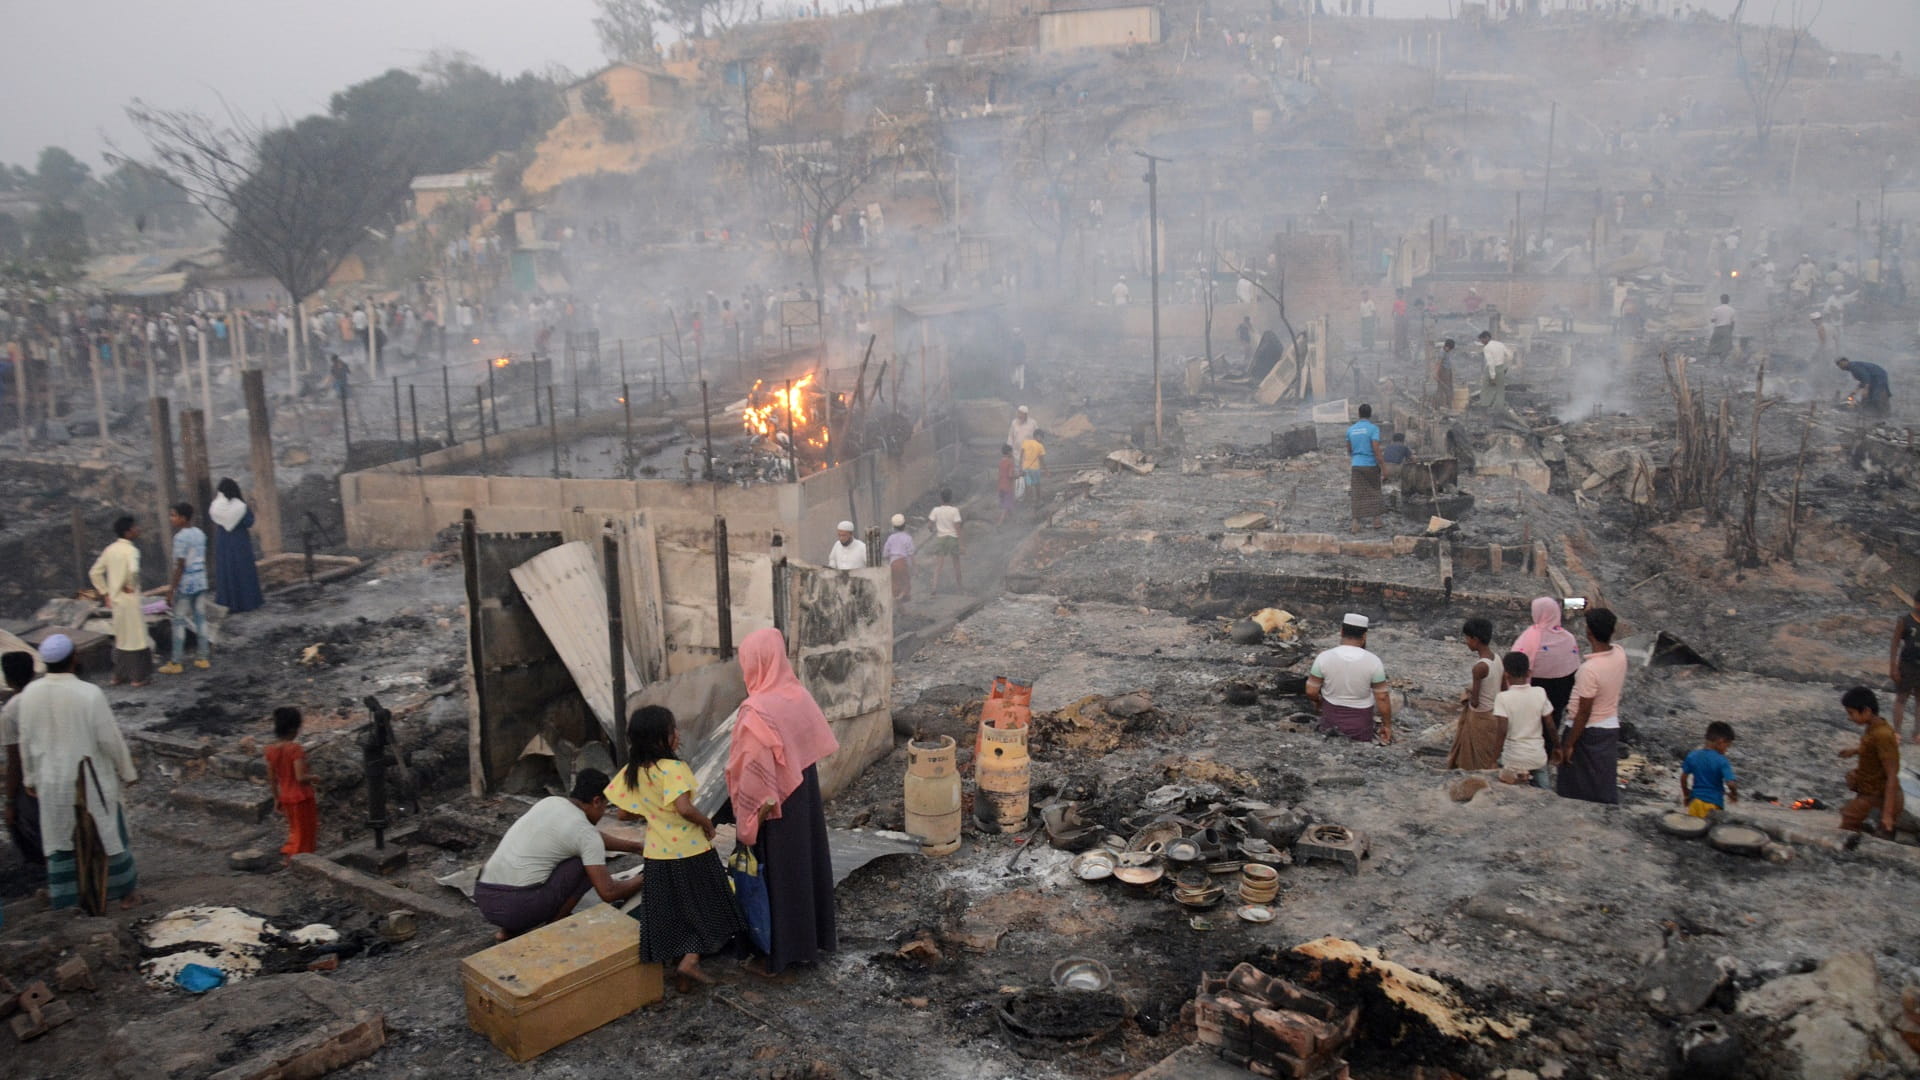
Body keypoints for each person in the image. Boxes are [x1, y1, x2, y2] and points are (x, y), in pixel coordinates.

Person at [605, 706, 743, 991]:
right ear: (660, 739)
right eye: (673, 730)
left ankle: (681, 975)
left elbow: (622, 814)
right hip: (691, 851)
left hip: (657, 854)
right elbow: (683, 808)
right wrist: (706, 822)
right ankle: (690, 961)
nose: (677, 734)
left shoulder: (632, 773)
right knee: (709, 905)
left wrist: (650, 810)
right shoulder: (674, 769)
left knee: (673, 910)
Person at [727, 628, 839, 974]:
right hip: (803, 797)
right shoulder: (796, 695)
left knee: (777, 877)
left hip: (773, 807)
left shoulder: (756, 711)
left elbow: (752, 771)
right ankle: (812, 940)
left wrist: (747, 822)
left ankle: (777, 956)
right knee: (805, 868)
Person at [16, 634, 141, 911]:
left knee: (61, 837)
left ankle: (67, 899)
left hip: (51, 779)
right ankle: (123, 893)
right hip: (89, 777)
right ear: (74, 658)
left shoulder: (30, 695)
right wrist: (127, 770)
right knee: (107, 831)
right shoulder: (88, 693)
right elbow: (109, 738)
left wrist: (30, 778)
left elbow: (26, 740)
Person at [474, 768, 645, 940]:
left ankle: (508, 932)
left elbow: (587, 837)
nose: (603, 813)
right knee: (583, 866)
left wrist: (636, 847)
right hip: (518, 908)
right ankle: (553, 928)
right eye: (605, 806)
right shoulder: (585, 834)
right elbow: (608, 892)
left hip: (485, 898)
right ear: (596, 801)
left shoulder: (550, 803)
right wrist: (648, 876)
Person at [1554, 608, 1626, 805]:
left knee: (1576, 785)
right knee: (1601, 779)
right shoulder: (1619, 654)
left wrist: (1569, 744)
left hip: (1588, 731)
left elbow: (1584, 712)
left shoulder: (1590, 670)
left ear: (1589, 633)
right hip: (1609, 724)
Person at [1305, 614, 1394, 744]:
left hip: (1330, 721)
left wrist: (1319, 702)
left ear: (1341, 632)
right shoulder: (1374, 661)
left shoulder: (1324, 657)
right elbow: (1382, 697)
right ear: (1364, 636)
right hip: (1360, 726)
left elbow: (1311, 691)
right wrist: (1387, 725)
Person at [89, 516, 152, 687]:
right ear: (128, 532)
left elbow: (94, 572)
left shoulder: (110, 550)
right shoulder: (131, 551)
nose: (137, 529)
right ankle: (138, 677)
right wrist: (130, 584)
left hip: (116, 601)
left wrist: (105, 593)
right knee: (137, 638)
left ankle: (118, 676)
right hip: (130, 600)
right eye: (134, 527)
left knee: (121, 638)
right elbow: (133, 570)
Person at [1838, 687, 1902, 834]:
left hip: (1878, 796)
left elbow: (1892, 775)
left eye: (1851, 713)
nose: (1849, 718)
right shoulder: (1873, 728)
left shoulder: (1883, 735)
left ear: (1866, 711)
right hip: (1869, 791)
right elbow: (1872, 749)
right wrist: (1854, 751)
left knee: (1847, 824)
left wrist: (1887, 814)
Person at [1, 650, 44, 871]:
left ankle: (39, 865)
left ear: (7, 679)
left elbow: (14, 761)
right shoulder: (45, 695)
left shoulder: (10, 711)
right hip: (61, 770)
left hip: (34, 780)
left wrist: (9, 802)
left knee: (21, 819)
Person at [1511, 596, 1582, 727]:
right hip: (1560, 693)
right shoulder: (1568, 638)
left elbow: (1513, 664)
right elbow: (1574, 669)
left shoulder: (1529, 637)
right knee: (1553, 723)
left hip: (1534, 691)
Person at [159, 503, 210, 675]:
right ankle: (203, 657)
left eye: (173, 515)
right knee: (200, 619)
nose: (171, 518)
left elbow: (180, 566)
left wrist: (171, 589)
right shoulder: (200, 534)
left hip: (186, 584)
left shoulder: (180, 538)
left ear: (183, 518)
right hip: (201, 581)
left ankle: (176, 661)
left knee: (179, 621)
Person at [1447, 618, 1504, 770]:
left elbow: (1475, 702)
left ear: (1475, 639)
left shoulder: (1479, 667)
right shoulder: (1497, 658)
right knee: (1486, 755)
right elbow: (1503, 688)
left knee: (1475, 761)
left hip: (1481, 718)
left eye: (1467, 638)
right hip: (1495, 714)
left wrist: (1468, 694)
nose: (1466, 642)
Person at [1494, 651, 1555, 789]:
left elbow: (1502, 731)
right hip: (1536, 756)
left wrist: (1493, 758)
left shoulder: (1503, 698)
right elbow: (1550, 725)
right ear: (1529, 673)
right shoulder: (1540, 692)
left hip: (1513, 758)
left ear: (1506, 675)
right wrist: (1557, 746)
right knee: (1544, 794)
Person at [266, 707, 317, 861]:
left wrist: (276, 798)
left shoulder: (270, 750)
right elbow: (300, 777)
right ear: (293, 729)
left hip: (286, 796)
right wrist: (315, 777)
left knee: (294, 830)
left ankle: (290, 852)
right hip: (301, 797)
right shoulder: (295, 749)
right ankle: (298, 860)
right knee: (305, 832)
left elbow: (272, 779)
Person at [211, 479, 265, 613]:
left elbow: (216, 519)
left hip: (223, 541)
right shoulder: (240, 506)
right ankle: (247, 602)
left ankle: (228, 602)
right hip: (239, 541)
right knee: (243, 571)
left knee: (226, 570)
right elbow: (249, 521)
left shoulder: (216, 506)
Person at [1680, 721, 1738, 819]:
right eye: (1727, 746)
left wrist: (1686, 795)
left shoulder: (1693, 756)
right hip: (1713, 805)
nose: (1726, 750)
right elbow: (1730, 783)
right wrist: (1734, 794)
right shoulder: (1722, 760)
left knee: (1694, 828)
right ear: (1721, 741)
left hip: (1695, 803)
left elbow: (1683, 778)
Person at [1346, 404, 1383, 533]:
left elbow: (1349, 449)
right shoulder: (1373, 429)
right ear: (1370, 414)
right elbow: (1376, 449)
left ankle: (1355, 523)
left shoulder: (1351, 430)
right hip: (1371, 465)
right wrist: (1383, 467)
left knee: (1357, 493)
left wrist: (1356, 456)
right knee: (1375, 491)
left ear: (1358, 414)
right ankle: (1376, 520)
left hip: (1356, 465)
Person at [1891, 590, 1920, 741]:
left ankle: (1917, 732)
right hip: (1907, 666)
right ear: (1916, 604)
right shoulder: (1905, 621)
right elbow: (1895, 643)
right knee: (1902, 698)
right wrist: (1893, 666)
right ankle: (1897, 732)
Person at [926, 491, 963, 596]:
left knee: (938, 565)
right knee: (956, 565)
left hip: (941, 539)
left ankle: (934, 588)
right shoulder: (954, 510)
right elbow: (957, 527)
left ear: (940, 499)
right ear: (951, 499)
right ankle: (960, 589)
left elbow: (929, 525)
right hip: (953, 538)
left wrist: (932, 529)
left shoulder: (936, 510)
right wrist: (961, 544)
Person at [882, 514, 915, 604]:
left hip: (893, 564)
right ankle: (901, 596)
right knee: (906, 584)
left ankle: (901, 609)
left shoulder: (890, 538)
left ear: (893, 527)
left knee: (896, 586)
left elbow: (885, 553)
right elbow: (911, 554)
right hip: (903, 563)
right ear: (904, 525)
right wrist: (914, 567)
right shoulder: (908, 538)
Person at [1476, 330, 1512, 412]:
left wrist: (1492, 377)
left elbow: (1491, 362)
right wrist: (1505, 367)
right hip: (1501, 368)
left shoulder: (1487, 348)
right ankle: (1499, 410)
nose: (1482, 342)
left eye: (1482, 340)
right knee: (1500, 390)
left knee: (1485, 389)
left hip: (1491, 370)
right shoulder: (1500, 344)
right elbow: (1510, 355)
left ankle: (1484, 408)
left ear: (1486, 338)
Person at [1020, 431, 1047, 503]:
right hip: (1035, 469)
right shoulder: (1040, 446)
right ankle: (1038, 500)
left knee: (1028, 485)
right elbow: (1042, 460)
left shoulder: (1025, 442)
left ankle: (1029, 501)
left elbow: (1021, 455)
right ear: (1037, 436)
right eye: (1041, 437)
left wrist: (1020, 467)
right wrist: (1046, 471)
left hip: (1025, 468)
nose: (1041, 439)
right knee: (1037, 484)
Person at [1706, 294, 1735, 360]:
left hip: (1718, 329)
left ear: (1721, 300)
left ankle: (1708, 357)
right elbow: (1733, 322)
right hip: (1727, 329)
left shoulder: (1716, 309)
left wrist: (1718, 319)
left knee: (1713, 343)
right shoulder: (1732, 310)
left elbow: (1712, 320)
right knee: (1726, 346)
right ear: (1728, 300)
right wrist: (1731, 331)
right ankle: (1721, 361)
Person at [1432, 338, 1457, 412]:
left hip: (1447, 371)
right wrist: (1435, 373)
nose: (1450, 350)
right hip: (1443, 372)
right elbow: (1438, 364)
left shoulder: (1447, 351)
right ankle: (1440, 406)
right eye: (1450, 349)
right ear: (1447, 347)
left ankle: (1448, 405)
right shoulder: (1442, 352)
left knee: (1448, 388)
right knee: (1443, 389)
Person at [996, 444, 1018, 525]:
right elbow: (1010, 475)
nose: (1012, 453)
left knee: (1008, 506)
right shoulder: (1010, 462)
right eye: (1011, 451)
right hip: (1008, 487)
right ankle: (999, 524)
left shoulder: (1001, 462)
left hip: (1000, 486)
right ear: (1009, 452)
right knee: (1006, 507)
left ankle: (1015, 522)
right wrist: (1019, 475)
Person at [1390, 289, 1410, 361]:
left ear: (1402, 294)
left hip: (1404, 321)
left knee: (1404, 336)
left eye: (1401, 293)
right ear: (1397, 295)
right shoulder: (1396, 303)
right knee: (1398, 336)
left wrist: (1406, 318)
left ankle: (1403, 352)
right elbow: (1393, 312)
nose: (1400, 295)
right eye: (1398, 294)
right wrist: (1396, 319)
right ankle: (1397, 352)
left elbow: (1406, 311)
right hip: (1398, 320)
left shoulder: (1404, 302)